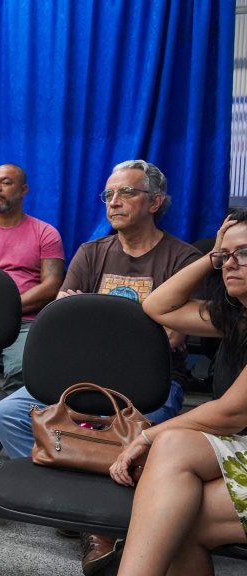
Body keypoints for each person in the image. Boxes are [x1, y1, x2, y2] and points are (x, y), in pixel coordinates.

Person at [0, 160, 200, 575]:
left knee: (151, 440)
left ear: (155, 201)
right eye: (108, 195)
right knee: (8, 414)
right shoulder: (92, 252)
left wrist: (104, 331)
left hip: (148, 384)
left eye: (126, 193)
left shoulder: (183, 258)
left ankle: (92, 520)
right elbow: (68, 321)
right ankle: (90, 517)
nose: (114, 202)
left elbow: (174, 338)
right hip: (81, 378)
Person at [109, 213, 247, 576]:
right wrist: (211, 255)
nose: (231, 264)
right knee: (169, 518)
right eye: (226, 256)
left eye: (244, 253)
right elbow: (157, 306)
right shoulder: (238, 317)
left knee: (170, 502)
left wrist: (145, 436)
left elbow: (232, 414)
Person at [0, 163, 65, 470]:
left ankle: (6, 433)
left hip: (27, 320)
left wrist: (8, 307)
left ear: (23, 190)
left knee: (21, 369)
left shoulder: (45, 233)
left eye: (5, 183)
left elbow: (51, 285)